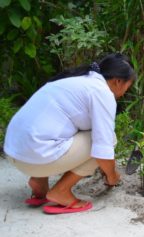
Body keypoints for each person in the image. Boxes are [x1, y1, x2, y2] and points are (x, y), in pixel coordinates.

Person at [4, 53, 136, 214]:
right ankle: (61, 191)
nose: (124, 93)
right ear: (118, 81)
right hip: (35, 158)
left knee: (55, 130)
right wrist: (113, 177)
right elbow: (103, 149)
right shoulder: (101, 92)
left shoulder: (74, 81)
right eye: (127, 87)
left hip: (14, 154)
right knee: (109, 139)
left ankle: (39, 181)